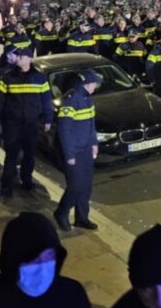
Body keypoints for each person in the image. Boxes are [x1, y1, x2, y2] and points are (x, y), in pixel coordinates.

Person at [0, 212, 91, 307]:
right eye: (34, 260)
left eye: (49, 257)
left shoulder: (73, 295)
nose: (42, 268)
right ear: (13, 262)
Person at [0, 47, 54, 197]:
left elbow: (46, 101)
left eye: (21, 56)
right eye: (17, 56)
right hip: (12, 124)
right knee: (11, 155)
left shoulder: (39, 78)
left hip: (31, 124)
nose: (17, 58)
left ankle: (27, 180)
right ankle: (7, 186)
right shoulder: (7, 77)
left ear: (29, 59)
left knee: (29, 154)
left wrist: (48, 119)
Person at [53, 69, 102, 232]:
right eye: (95, 83)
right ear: (87, 83)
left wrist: (94, 143)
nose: (96, 86)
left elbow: (91, 125)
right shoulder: (71, 101)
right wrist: (69, 154)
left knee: (86, 186)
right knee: (75, 186)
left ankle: (82, 218)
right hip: (74, 151)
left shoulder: (87, 99)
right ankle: (62, 212)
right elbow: (64, 131)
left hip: (86, 150)